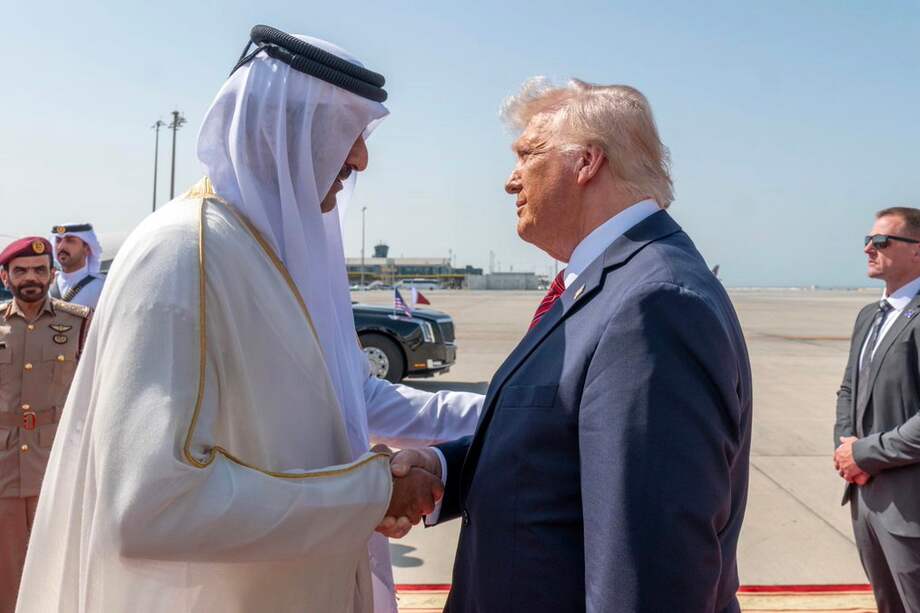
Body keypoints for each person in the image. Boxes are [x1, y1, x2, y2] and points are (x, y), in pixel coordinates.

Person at [17, 26, 479, 613]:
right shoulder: (184, 253)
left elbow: (349, 398)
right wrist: (371, 492)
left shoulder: (265, 253)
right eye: (347, 133)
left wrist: (510, 408)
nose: (360, 158)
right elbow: (151, 506)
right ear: (282, 131)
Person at [384, 79, 753, 612]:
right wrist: (444, 469)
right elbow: (562, 448)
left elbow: (649, 569)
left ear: (586, 163)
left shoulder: (654, 303)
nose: (511, 181)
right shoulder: (606, 284)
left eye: (527, 155)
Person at [834, 207, 920, 613]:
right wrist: (846, 450)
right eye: (868, 240)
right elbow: (849, 389)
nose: (869, 248)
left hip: (910, 509)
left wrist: (865, 454)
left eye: (882, 241)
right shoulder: (869, 315)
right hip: (867, 500)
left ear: (917, 251)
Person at [0, 237, 90, 613]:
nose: (30, 278)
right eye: (20, 271)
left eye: (39, 269)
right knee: (5, 568)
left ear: (53, 274)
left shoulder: (80, 322)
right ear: (5, 277)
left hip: (56, 460)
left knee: (55, 561)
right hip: (3, 461)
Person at [49, 223, 105, 309]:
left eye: (70, 240)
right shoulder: (46, 285)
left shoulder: (101, 287)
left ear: (87, 249)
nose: (61, 246)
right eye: (58, 240)